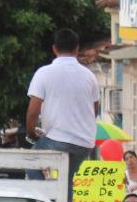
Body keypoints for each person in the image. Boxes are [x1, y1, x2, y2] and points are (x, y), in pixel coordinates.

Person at [26, 28, 100, 190]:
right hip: (84, 142)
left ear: (54, 48)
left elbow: (32, 112)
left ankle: (46, 201)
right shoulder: (89, 76)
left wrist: (32, 134)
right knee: (66, 181)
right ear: (77, 49)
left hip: (57, 139)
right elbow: (94, 109)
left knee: (31, 162)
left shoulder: (44, 73)